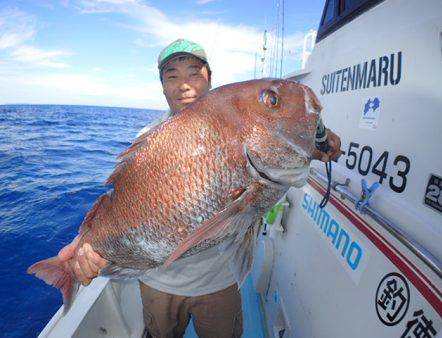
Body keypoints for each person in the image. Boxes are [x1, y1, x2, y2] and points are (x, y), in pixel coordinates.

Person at [58, 38, 342, 338]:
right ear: (163, 86)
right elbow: (120, 204)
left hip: (218, 283)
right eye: (172, 76)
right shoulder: (148, 137)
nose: (184, 85)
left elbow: (287, 151)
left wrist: (317, 141)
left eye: (194, 73)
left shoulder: (241, 131)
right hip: (158, 284)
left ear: (209, 78)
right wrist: (83, 246)